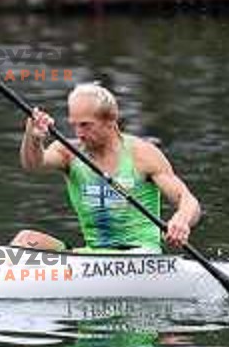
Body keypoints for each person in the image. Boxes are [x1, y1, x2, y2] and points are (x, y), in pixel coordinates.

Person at [11, 83, 201, 252]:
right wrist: (33, 137)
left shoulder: (142, 154)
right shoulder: (68, 152)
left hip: (140, 254)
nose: (79, 134)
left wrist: (181, 220)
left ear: (110, 121)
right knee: (25, 240)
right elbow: (33, 164)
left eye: (86, 125)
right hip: (94, 254)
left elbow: (189, 201)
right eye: (74, 126)